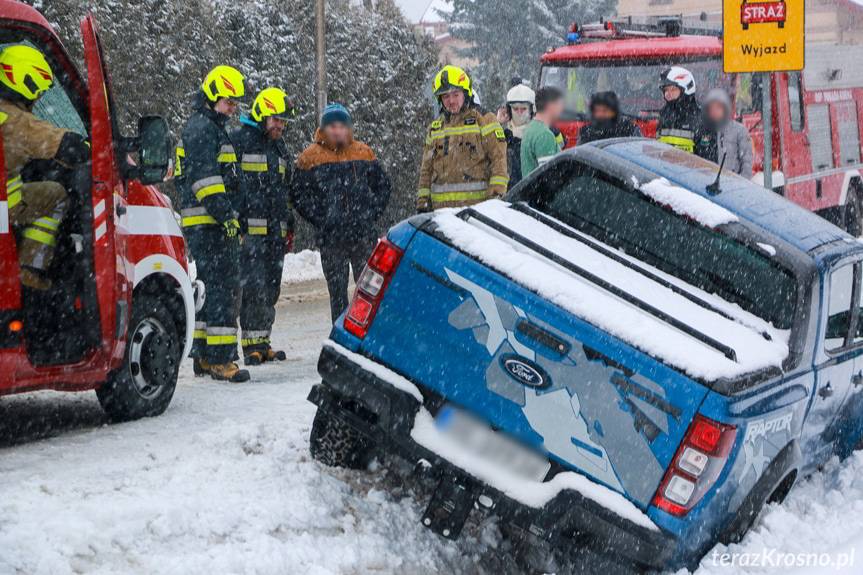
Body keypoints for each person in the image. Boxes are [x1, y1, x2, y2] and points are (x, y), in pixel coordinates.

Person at [176, 65, 250, 383]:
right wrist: (227, 217)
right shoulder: (202, 128)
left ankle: (204, 355)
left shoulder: (207, 126)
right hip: (210, 223)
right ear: (214, 96)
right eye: (229, 102)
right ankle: (220, 359)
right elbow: (206, 181)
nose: (233, 108)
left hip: (208, 222)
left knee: (210, 288)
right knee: (222, 287)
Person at [0, 45, 90, 291]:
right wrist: (87, 148)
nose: (38, 98)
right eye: (37, 91)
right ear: (23, 82)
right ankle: (30, 268)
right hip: (3, 209)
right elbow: (57, 142)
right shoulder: (14, 120)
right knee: (57, 194)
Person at [292, 103, 392, 322]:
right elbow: (298, 195)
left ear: (349, 128)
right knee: (337, 294)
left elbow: (383, 186)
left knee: (370, 291)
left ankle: (369, 336)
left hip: (362, 235)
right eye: (332, 126)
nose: (338, 131)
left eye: (342, 126)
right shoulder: (309, 157)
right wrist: (322, 218)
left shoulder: (363, 152)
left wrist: (370, 213)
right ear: (324, 129)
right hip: (331, 238)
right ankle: (340, 337)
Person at [232, 87, 296, 366]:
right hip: (251, 231)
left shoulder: (279, 148)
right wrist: (237, 223)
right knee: (253, 287)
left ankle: (262, 340)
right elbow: (231, 185)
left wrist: (289, 223)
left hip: (275, 231)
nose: (280, 125)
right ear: (261, 115)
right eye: (276, 120)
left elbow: (285, 190)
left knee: (271, 287)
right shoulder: (240, 142)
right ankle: (250, 346)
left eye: (283, 121)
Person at [417, 65, 508, 211]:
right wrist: (422, 204)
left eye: (455, 94)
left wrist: (495, 201)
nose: (451, 101)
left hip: (476, 215)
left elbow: (499, 163)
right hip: (442, 217)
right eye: (445, 96)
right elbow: (426, 171)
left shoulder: (485, 121)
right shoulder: (435, 129)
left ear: (465, 93)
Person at [696, 88, 754, 179]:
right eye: (711, 108)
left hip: (731, 185)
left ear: (725, 108)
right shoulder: (702, 131)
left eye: (718, 107)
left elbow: (747, 161)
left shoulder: (739, 130)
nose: (714, 111)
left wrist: (742, 183)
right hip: (706, 183)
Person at [520, 86, 565, 178]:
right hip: (541, 192)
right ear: (551, 106)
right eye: (559, 104)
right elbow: (549, 177)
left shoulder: (531, 128)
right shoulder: (544, 135)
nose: (562, 109)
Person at [656, 66, 702, 153]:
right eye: (665, 90)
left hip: (689, 166)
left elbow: (707, 160)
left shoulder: (700, 118)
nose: (667, 94)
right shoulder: (664, 115)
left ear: (686, 89)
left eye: (673, 89)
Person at [503, 83, 535, 189]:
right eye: (516, 109)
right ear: (509, 111)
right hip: (510, 192)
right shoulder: (504, 135)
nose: (520, 113)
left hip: (532, 189)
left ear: (531, 110)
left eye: (523, 109)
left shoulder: (538, 132)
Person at [577, 91, 641, 144]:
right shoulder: (586, 132)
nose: (600, 114)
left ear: (614, 112)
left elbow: (637, 151)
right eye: (597, 111)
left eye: (605, 111)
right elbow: (579, 156)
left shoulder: (629, 128)